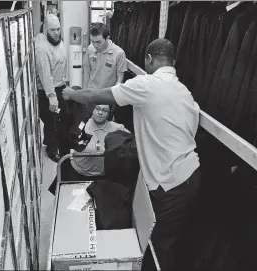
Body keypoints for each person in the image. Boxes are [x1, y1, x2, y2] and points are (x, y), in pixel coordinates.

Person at [62, 39, 202, 271]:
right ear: (173, 62)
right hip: (189, 177)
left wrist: (71, 94)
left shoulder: (146, 84)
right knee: (168, 242)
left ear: (149, 59)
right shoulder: (185, 93)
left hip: (171, 183)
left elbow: (100, 96)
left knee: (157, 248)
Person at [48, 104, 130, 195]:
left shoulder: (117, 128)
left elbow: (130, 145)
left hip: (102, 176)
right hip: (78, 172)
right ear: (92, 109)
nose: (100, 112)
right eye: (97, 109)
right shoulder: (81, 125)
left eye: (104, 110)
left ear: (109, 113)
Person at [35, 14, 69, 162]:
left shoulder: (57, 41)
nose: (56, 33)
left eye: (58, 29)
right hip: (48, 92)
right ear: (45, 30)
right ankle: (51, 150)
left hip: (60, 86)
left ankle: (56, 144)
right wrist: (52, 96)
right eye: (53, 30)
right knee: (52, 122)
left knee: (61, 119)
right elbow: (45, 74)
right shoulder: (42, 49)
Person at [83, 22, 127, 90]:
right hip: (91, 92)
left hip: (107, 95)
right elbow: (86, 72)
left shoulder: (119, 53)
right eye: (92, 41)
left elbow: (120, 78)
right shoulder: (90, 49)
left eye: (98, 42)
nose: (95, 45)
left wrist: (112, 95)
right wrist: (84, 92)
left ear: (107, 38)